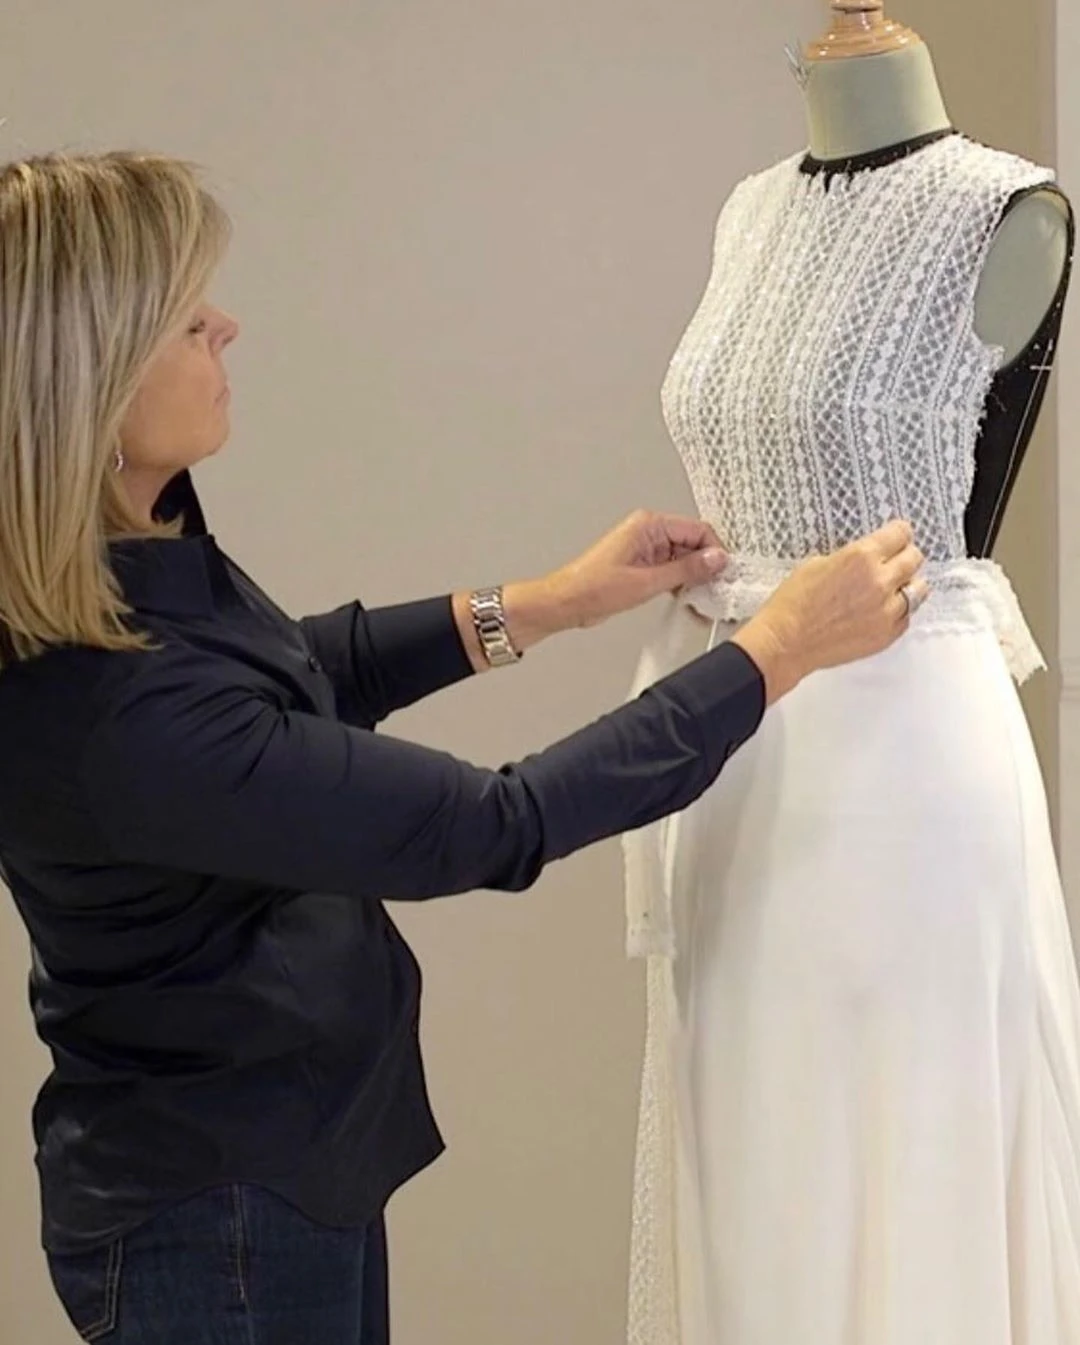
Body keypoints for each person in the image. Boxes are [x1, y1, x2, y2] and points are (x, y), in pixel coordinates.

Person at [0, 152, 924, 1345]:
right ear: (94, 378)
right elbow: (494, 824)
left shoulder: (133, 561)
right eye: (188, 317)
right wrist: (777, 650)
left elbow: (298, 673)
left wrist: (545, 604)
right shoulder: (111, 710)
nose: (227, 325)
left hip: (275, 1168)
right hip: (216, 1220)